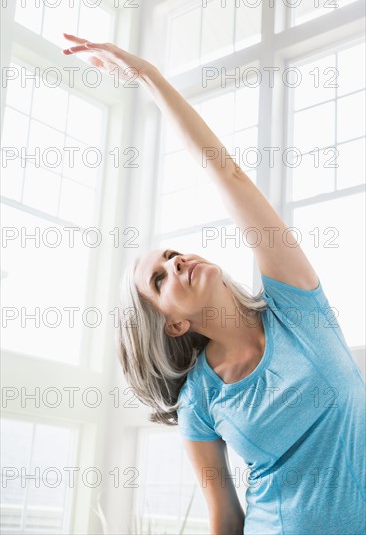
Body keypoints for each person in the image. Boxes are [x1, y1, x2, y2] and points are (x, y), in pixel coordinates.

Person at [63, 34, 366, 535]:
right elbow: (224, 515)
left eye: (170, 254)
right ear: (174, 324)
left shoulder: (297, 306)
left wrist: (151, 78)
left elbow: (231, 178)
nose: (176, 262)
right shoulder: (199, 402)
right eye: (159, 280)